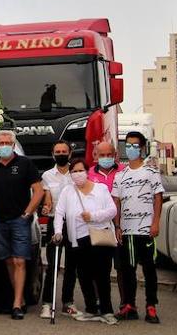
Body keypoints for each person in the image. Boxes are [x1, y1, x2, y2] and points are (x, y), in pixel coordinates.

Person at [0, 129, 43, 319]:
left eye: (7, 143)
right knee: (8, 260)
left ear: (14, 144)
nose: (4, 146)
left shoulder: (25, 164)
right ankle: (19, 299)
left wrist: (27, 213)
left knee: (19, 260)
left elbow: (38, 191)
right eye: (0, 143)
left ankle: (17, 303)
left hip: (20, 220)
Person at [52, 154, 119, 323]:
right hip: (79, 239)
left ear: (87, 171)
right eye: (74, 171)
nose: (77, 174)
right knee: (83, 274)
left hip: (99, 237)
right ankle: (91, 308)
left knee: (102, 275)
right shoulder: (68, 191)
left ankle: (107, 310)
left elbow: (112, 211)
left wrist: (93, 216)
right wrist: (58, 231)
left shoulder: (100, 189)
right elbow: (59, 213)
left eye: (80, 170)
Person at [113, 131, 164, 324]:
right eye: (128, 145)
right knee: (127, 269)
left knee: (149, 269)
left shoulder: (151, 172)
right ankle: (129, 305)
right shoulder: (120, 175)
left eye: (135, 145)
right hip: (127, 230)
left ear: (142, 148)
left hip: (146, 229)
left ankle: (151, 306)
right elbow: (116, 201)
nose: (131, 148)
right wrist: (117, 226)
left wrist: (156, 222)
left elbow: (158, 198)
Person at [38, 140, 76, 319]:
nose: (61, 154)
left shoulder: (77, 173)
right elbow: (47, 199)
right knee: (53, 264)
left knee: (71, 265)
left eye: (64, 151)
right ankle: (47, 303)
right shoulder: (47, 175)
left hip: (75, 223)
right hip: (55, 222)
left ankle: (67, 302)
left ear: (69, 154)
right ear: (53, 154)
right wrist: (46, 208)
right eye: (57, 151)